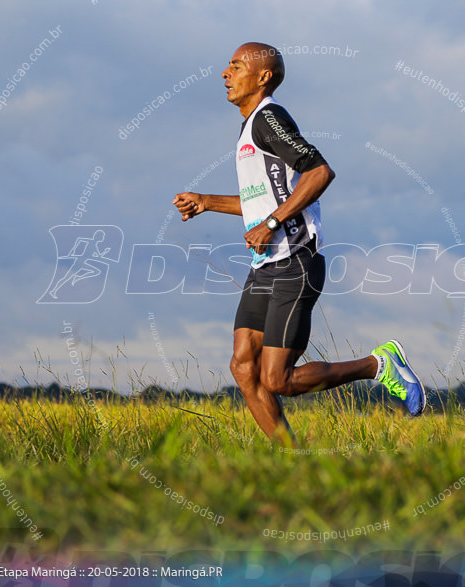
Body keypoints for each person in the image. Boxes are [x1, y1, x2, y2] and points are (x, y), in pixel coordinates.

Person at [172, 42, 426, 444]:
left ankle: (379, 365)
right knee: (243, 368)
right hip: (266, 265)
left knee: (278, 379)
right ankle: (289, 459)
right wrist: (207, 202)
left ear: (263, 76)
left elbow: (319, 172)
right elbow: (263, 202)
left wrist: (272, 223)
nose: (225, 73)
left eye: (235, 66)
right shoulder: (251, 126)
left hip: (295, 261)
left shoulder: (268, 118)